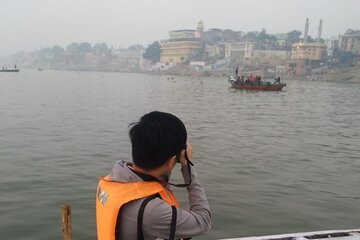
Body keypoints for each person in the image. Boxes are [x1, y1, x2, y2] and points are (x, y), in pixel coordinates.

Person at [96, 111, 211, 240]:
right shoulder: (154, 212)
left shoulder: (111, 181)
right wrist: (187, 166)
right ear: (172, 161)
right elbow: (203, 221)